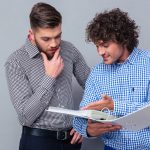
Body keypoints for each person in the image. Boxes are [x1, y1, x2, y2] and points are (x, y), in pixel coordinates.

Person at [5, 2, 90, 150]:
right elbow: (25, 117)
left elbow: (94, 85)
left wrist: (84, 122)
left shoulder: (69, 49)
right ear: (31, 34)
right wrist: (49, 77)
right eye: (46, 39)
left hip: (71, 142)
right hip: (37, 142)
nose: (54, 44)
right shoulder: (15, 62)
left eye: (58, 36)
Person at [73, 8, 150, 150]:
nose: (100, 52)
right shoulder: (97, 73)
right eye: (97, 46)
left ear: (123, 39)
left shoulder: (148, 63)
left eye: (105, 45)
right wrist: (88, 131)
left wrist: (114, 106)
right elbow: (80, 117)